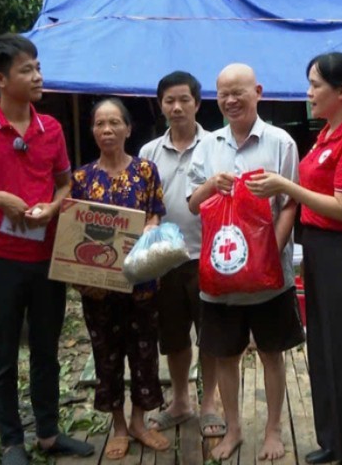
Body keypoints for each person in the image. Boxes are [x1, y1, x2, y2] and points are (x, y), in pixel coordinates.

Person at [0, 34, 92, 464]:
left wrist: (53, 207)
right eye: (26, 70)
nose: (38, 76)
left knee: (47, 348)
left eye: (37, 67)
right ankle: (13, 441)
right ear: (0, 79)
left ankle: (49, 433)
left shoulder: (50, 128)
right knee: (2, 352)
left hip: (47, 257)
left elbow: (65, 182)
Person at [246, 53, 342, 465]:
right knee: (325, 347)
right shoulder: (329, 133)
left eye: (315, 85)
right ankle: (336, 439)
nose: (308, 93)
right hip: (322, 249)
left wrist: (285, 185)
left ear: (341, 91)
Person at [187, 63, 304, 461]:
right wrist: (209, 185)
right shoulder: (207, 145)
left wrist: (270, 249)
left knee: (272, 352)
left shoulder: (281, 142)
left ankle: (273, 429)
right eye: (223, 94)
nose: (231, 100)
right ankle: (234, 428)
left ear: (258, 91)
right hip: (220, 277)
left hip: (270, 276)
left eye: (239, 92)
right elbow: (191, 204)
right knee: (224, 354)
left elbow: (290, 203)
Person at [70, 98, 171, 459]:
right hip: (97, 286)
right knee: (106, 356)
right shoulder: (81, 178)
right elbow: (75, 228)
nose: (107, 130)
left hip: (140, 282)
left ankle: (140, 421)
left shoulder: (146, 171)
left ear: (129, 129)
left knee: (144, 352)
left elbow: (156, 214)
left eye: (115, 123)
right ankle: (119, 426)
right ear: (93, 131)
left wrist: (145, 230)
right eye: (100, 124)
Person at [138, 72, 221, 438]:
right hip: (166, 258)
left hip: (209, 253)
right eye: (169, 100)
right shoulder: (148, 152)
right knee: (172, 336)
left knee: (211, 334)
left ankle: (211, 403)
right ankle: (182, 400)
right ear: (160, 105)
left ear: (197, 103)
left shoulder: (218, 145)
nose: (176, 107)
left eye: (184, 99)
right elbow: (142, 206)